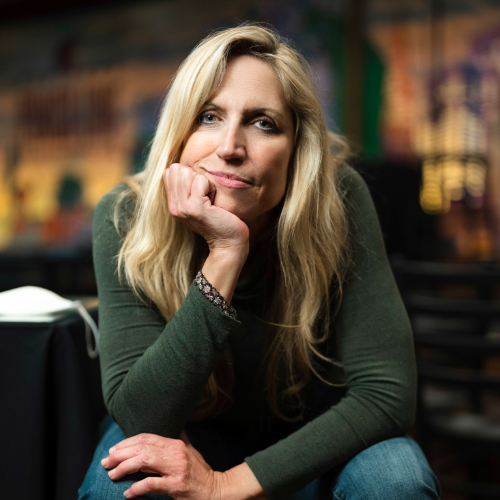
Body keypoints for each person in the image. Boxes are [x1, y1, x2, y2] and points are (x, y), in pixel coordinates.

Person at [79, 25, 441, 500]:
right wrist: (225, 254)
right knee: (117, 489)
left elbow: (386, 394)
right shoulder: (126, 214)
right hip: (185, 436)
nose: (230, 147)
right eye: (209, 117)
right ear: (179, 132)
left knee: (395, 480)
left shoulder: (339, 200)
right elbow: (142, 416)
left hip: (316, 440)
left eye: (263, 123)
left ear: (297, 148)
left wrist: (228, 485)